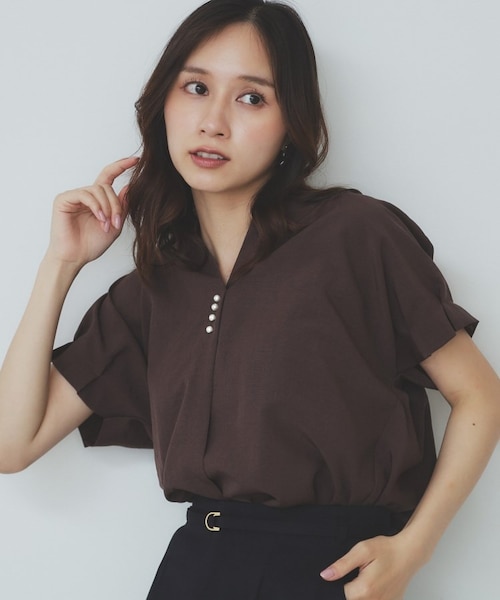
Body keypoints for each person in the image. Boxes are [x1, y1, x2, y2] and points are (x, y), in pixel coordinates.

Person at [0, 0, 499, 598]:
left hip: (329, 571)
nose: (213, 122)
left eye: (251, 97)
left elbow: (479, 394)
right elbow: (11, 444)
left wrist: (414, 548)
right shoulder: (153, 288)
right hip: (194, 568)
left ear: (292, 122)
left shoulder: (355, 235)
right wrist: (60, 265)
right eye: (196, 88)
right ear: (163, 104)